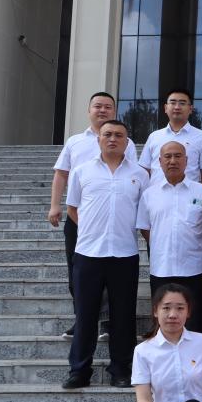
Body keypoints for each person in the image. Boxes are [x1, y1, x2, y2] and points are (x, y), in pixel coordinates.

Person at [62, 120, 149, 389]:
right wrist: (92, 230)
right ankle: (79, 371)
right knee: (85, 315)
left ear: (127, 141)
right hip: (88, 253)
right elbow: (72, 209)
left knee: (123, 316)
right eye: (107, 134)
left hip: (125, 254)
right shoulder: (82, 171)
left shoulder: (140, 174)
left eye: (119, 135)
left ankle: (120, 370)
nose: (113, 139)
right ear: (99, 139)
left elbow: (145, 213)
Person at [48, 92, 137, 339]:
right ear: (89, 111)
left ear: (114, 112)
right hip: (79, 216)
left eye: (108, 107)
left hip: (112, 219)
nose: (103, 110)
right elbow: (61, 174)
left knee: (110, 271)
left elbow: (132, 174)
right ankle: (82, 319)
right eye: (98, 106)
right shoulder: (75, 141)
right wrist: (55, 205)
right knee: (77, 271)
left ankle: (108, 321)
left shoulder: (126, 143)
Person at [136, 141, 202, 333]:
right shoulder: (149, 195)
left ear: (186, 160)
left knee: (193, 322)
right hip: (162, 267)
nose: (173, 161)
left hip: (194, 267)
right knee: (164, 322)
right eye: (167, 157)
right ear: (160, 162)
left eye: (178, 156)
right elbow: (145, 228)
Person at [139, 89, 202, 184]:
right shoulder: (154, 136)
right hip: (156, 192)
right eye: (173, 103)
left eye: (182, 103)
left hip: (189, 192)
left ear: (190, 109)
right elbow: (144, 171)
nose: (177, 107)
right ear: (166, 108)